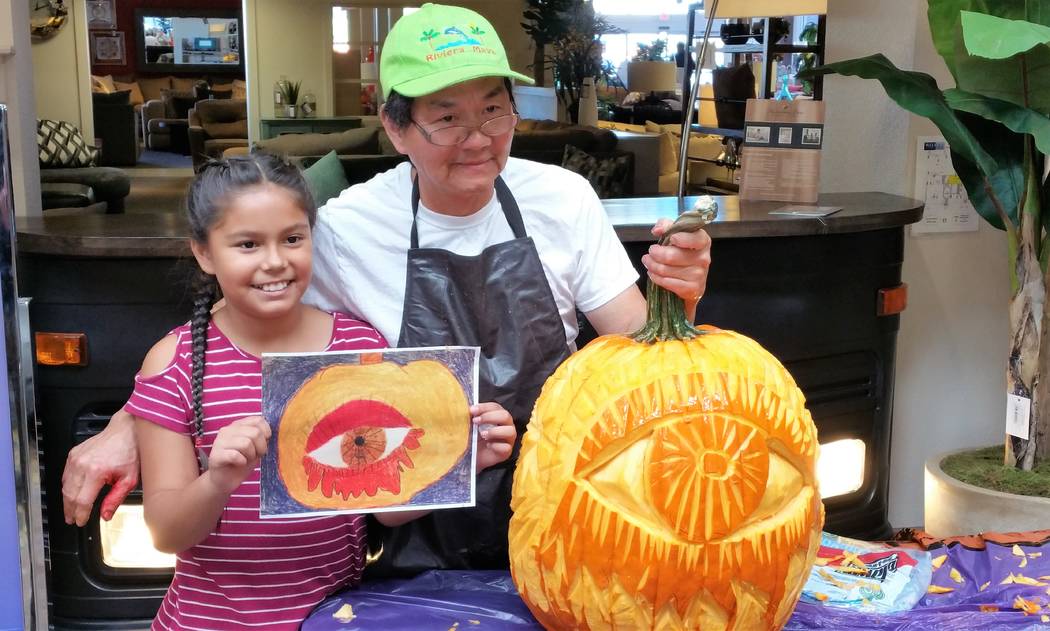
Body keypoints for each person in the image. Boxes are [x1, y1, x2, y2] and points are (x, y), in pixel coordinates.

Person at [62, 2, 712, 576]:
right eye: (447, 118)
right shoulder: (347, 228)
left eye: (494, 108)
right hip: (411, 516)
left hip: (559, 503)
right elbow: (239, 325)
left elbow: (636, 349)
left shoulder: (563, 198)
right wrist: (135, 421)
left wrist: (679, 296)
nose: (480, 138)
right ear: (396, 128)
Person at [126, 154, 516, 629]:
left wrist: (463, 461)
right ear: (204, 253)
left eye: (293, 238)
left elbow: (383, 509)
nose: (275, 261)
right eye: (247, 244)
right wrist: (218, 481)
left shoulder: (359, 346)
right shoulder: (175, 361)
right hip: (207, 621)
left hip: (337, 616)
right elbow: (166, 531)